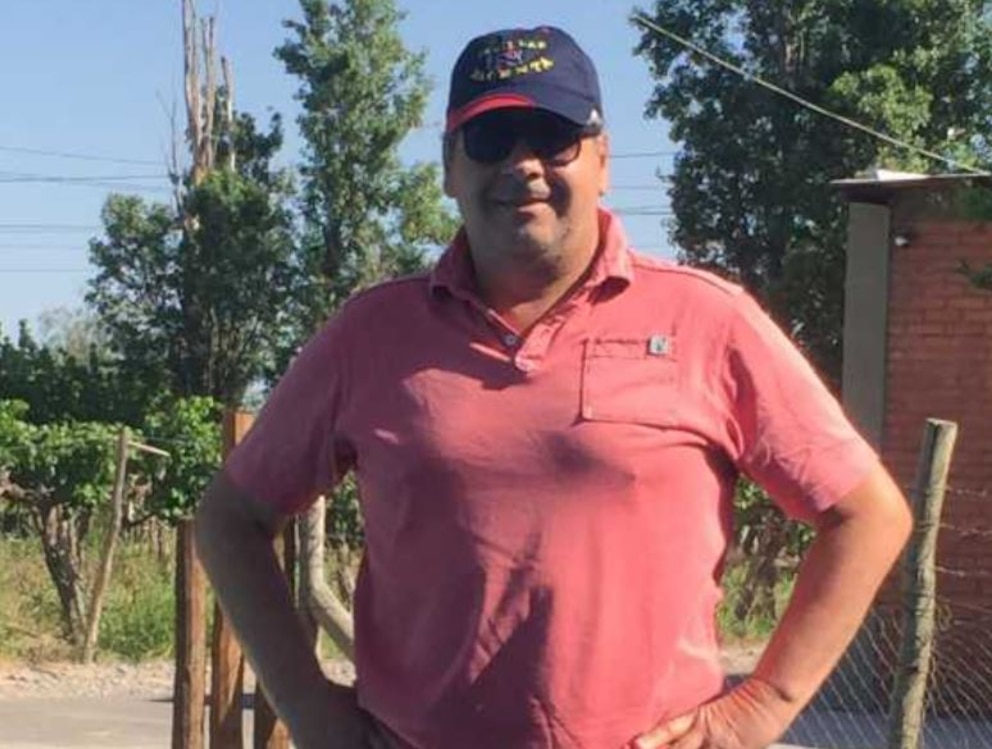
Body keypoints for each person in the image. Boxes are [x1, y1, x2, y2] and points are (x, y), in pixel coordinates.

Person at [194, 25, 912, 749]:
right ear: (449, 167)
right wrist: (310, 710)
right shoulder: (372, 334)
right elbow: (230, 518)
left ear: (602, 160)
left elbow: (868, 515)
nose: (523, 165)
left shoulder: (706, 320)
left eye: (553, 137)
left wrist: (760, 707)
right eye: (490, 140)